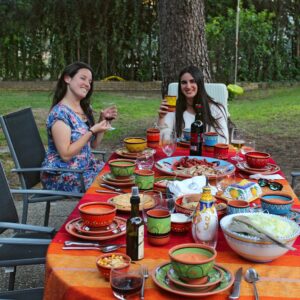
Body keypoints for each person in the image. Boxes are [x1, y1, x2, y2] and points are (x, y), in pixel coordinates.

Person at [41, 62, 117, 193]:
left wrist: (102, 121)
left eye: (90, 81)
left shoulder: (83, 108)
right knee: (112, 186)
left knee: (122, 174)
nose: (87, 84)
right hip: (64, 175)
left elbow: (93, 144)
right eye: (83, 78)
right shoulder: (60, 114)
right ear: (67, 78)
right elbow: (65, 155)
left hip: (85, 169)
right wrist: (92, 130)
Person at [158, 65, 229, 144]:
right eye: (184, 82)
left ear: (200, 84)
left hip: (207, 155)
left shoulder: (215, 109)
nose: (188, 86)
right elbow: (164, 141)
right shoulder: (174, 108)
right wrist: (161, 118)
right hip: (181, 155)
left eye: (192, 81)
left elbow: (223, 142)